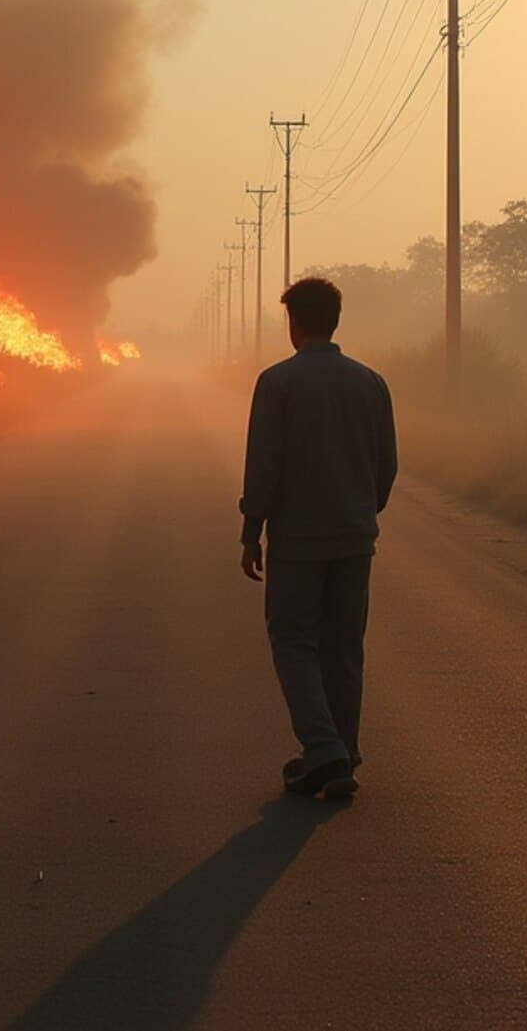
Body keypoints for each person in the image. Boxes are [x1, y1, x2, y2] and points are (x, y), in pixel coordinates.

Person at [238, 276, 398, 801]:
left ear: (294, 323)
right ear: (335, 320)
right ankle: (341, 753)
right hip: (355, 537)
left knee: (293, 642)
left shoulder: (277, 383)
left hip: (299, 540)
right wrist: (360, 510)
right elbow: (386, 465)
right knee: (344, 648)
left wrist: (252, 529)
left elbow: (264, 466)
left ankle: (324, 749)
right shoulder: (372, 383)